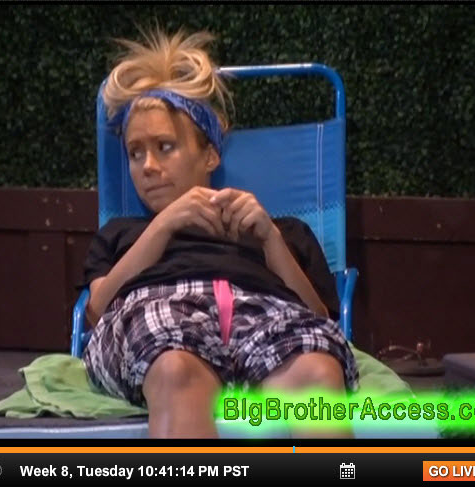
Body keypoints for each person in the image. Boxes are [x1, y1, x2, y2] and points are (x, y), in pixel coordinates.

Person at [78, 29, 359, 438]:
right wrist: (164, 225)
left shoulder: (281, 230)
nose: (147, 166)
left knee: (317, 369)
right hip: (160, 311)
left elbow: (319, 318)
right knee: (175, 366)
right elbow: (96, 310)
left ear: (209, 154)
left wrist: (270, 240)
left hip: (265, 309)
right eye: (135, 153)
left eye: (165, 147)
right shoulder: (122, 234)